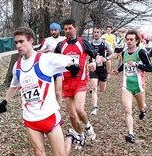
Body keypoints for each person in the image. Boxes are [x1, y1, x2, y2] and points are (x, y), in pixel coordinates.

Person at [0, 26, 84, 156]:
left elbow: (69, 60)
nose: (18, 46)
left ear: (30, 40)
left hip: (49, 116)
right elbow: (14, 85)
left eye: (21, 42)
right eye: (16, 43)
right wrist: (4, 101)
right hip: (30, 118)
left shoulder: (44, 60)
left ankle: (70, 136)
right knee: (39, 154)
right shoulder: (18, 65)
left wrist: (73, 67)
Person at [54, 18, 98, 148]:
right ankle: (80, 136)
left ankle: (88, 125)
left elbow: (95, 54)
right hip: (66, 83)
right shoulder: (61, 45)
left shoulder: (82, 43)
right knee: (72, 116)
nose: (67, 31)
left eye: (70, 28)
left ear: (76, 29)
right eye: (65, 29)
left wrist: (93, 63)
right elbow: (53, 60)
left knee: (79, 109)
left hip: (80, 81)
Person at [111, 29, 152, 143]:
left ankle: (143, 110)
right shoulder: (124, 53)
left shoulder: (141, 52)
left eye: (131, 40)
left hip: (139, 85)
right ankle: (131, 134)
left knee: (141, 106)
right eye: (127, 39)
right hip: (127, 85)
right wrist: (118, 71)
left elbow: (150, 68)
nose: (129, 42)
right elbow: (124, 65)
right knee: (127, 110)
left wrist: (137, 64)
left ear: (137, 41)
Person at [38, 22, 66, 107]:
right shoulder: (47, 40)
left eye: (55, 30)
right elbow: (38, 51)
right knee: (50, 92)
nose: (53, 32)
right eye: (52, 30)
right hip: (49, 68)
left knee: (58, 92)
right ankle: (51, 110)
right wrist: (47, 50)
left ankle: (58, 113)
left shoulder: (64, 39)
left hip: (59, 67)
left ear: (59, 30)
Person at [89, 26, 114, 115]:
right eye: (94, 32)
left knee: (102, 89)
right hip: (93, 68)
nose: (96, 34)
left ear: (100, 33)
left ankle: (98, 82)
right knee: (94, 87)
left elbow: (113, 53)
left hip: (102, 68)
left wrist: (106, 58)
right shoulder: (90, 43)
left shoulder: (105, 43)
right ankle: (95, 107)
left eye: (97, 32)